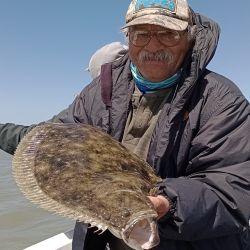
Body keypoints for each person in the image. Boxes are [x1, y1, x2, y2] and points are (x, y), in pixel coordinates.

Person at [1, 0, 250, 249]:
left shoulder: (220, 100)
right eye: (141, 34)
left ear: (189, 37)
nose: (153, 45)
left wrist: (168, 204)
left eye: (168, 33)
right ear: (128, 38)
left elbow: (233, 190)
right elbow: (54, 139)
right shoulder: (97, 92)